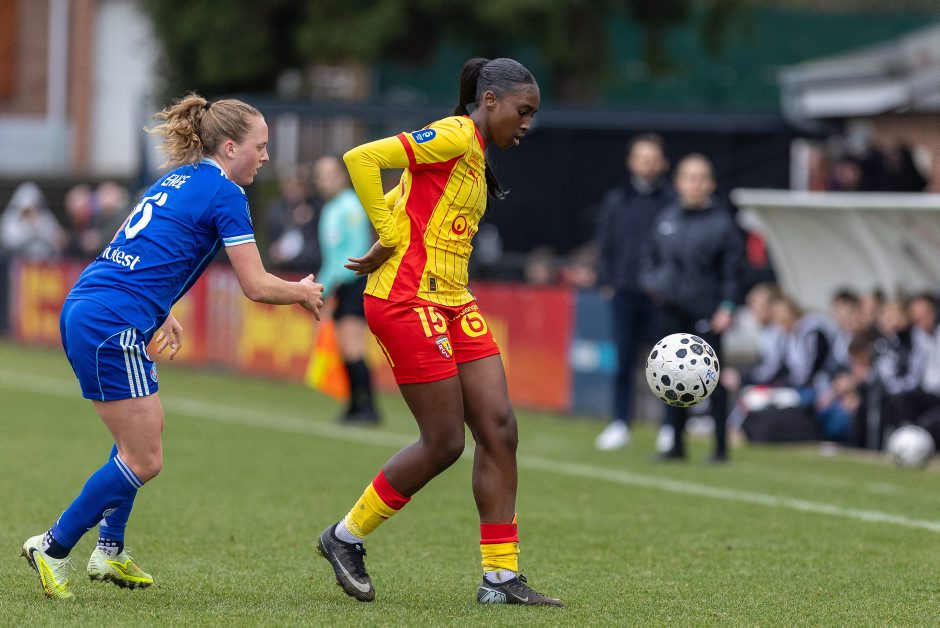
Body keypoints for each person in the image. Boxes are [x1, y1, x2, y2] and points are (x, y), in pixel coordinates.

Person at [20, 94, 324, 599]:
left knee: (141, 436)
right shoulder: (226, 193)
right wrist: (302, 291)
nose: (266, 156)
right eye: (261, 146)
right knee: (145, 459)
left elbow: (137, 251)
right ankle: (52, 547)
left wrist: (162, 311)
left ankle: (109, 549)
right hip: (111, 321)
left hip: (93, 305)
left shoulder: (179, 178)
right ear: (230, 147)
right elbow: (255, 285)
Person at [316, 57, 562, 607]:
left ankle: (500, 578)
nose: (527, 123)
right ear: (490, 100)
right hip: (407, 298)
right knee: (446, 442)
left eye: (533, 114)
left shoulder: (475, 152)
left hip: (452, 298)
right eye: (523, 111)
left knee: (500, 427)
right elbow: (361, 158)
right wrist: (387, 233)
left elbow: (411, 196)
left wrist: (389, 231)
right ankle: (344, 537)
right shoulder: (454, 134)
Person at [639, 153, 744, 462]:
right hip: (672, 309)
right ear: (678, 182)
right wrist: (654, 285)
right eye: (688, 177)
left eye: (700, 178)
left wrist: (727, 307)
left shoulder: (723, 224)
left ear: (710, 184)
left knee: (712, 378)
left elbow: (734, 272)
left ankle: (720, 447)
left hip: (707, 312)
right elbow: (649, 260)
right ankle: (675, 445)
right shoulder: (666, 219)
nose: (694, 184)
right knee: (670, 375)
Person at [593, 134, 674, 451]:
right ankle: (620, 423)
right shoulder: (617, 200)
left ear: (663, 163)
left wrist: (665, 285)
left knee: (666, 363)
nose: (647, 164)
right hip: (625, 292)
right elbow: (605, 244)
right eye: (642, 158)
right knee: (623, 361)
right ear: (631, 162)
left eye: (653, 158)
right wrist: (608, 281)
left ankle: (669, 427)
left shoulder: (672, 202)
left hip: (660, 297)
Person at [312, 154, 380, 424]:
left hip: (351, 283)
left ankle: (368, 408)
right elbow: (332, 255)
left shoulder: (350, 206)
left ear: (342, 175)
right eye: (320, 176)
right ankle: (355, 405)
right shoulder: (332, 208)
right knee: (344, 346)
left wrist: (326, 285)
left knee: (353, 347)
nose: (323, 181)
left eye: (329, 175)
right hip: (339, 284)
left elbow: (354, 251)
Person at [266, 164, 322, 272]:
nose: (297, 189)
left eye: (301, 185)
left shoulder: (317, 206)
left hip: (309, 267)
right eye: (293, 185)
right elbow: (272, 235)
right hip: (282, 267)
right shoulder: (277, 208)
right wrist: (290, 217)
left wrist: (310, 218)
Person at [0, 181, 66, 261]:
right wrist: (31, 232)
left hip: (45, 263)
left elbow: (58, 240)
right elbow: (8, 242)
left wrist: (40, 226)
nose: (30, 212)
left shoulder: (46, 217)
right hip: (18, 262)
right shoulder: (11, 219)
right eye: (26, 210)